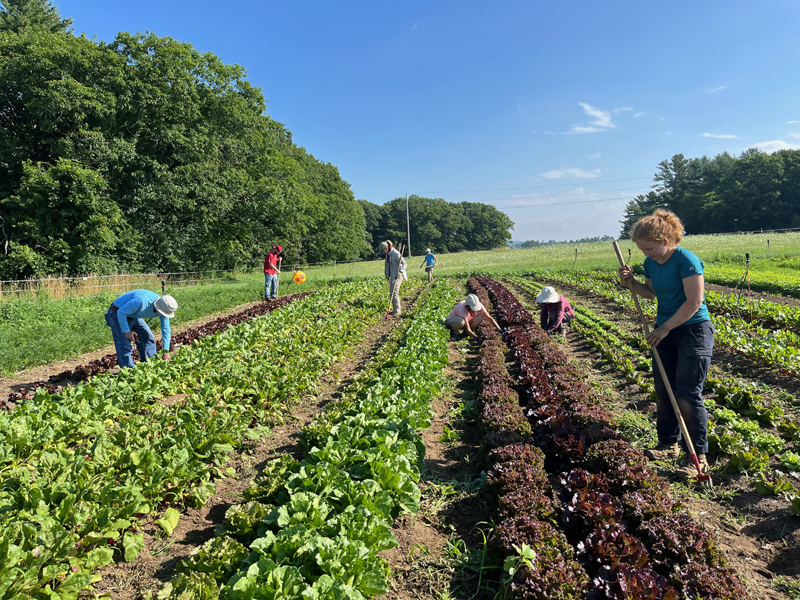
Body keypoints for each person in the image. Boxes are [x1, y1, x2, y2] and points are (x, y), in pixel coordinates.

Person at [619, 209, 714, 479]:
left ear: (665, 240)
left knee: (686, 393)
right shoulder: (652, 263)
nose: (645, 253)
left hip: (693, 330)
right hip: (666, 332)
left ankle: (698, 455)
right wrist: (631, 282)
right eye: (641, 249)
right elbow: (650, 293)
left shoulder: (686, 260)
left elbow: (693, 302)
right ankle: (667, 445)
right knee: (663, 389)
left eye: (649, 248)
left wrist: (665, 327)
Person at [105, 289, 178, 368]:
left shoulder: (165, 308)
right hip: (117, 312)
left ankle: (150, 365)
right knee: (124, 344)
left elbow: (166, 329)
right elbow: (121, 312)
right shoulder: (141, 302)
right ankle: (128, 372)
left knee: (147, 337)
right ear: (158, 307)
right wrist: (127, 332)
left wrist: (166, 351)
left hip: (134, 314)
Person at [379, 240, 406, 316]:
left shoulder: (395, 253)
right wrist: (387, 275)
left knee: (395, 292)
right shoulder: (388, 255)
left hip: (398, 276)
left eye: (383, 251)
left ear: (386, 248)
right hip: (393, 276)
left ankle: (397, 312)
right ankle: (394, 310)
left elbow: (404, 263)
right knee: (392, 293)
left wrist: (400, 272)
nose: (383, 253)